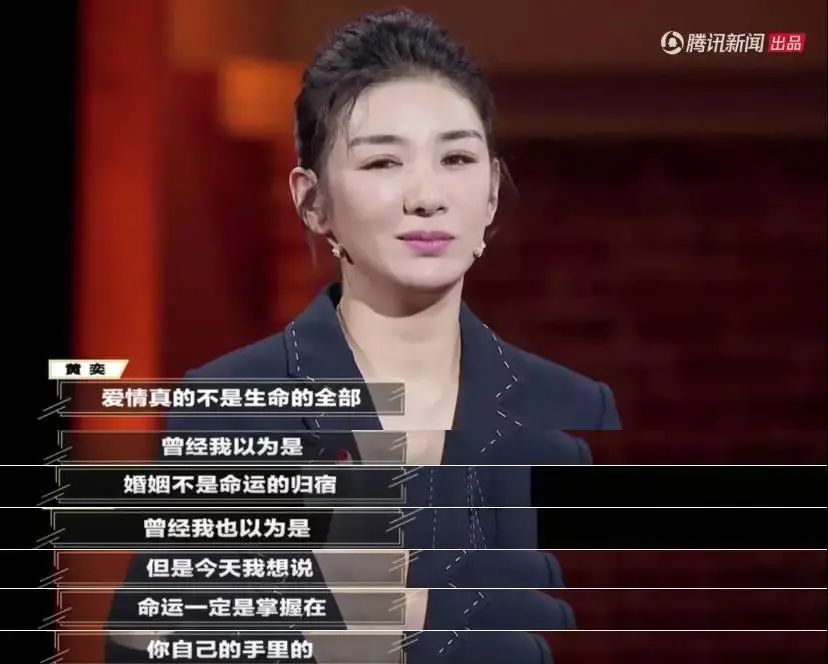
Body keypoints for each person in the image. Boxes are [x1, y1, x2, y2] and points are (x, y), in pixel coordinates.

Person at [105, 8, 620, 663]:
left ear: (491, 191)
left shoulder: (569, 411)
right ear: (312, 201)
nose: (426, 196)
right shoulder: (235, 405)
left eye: (456, 158)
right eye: (382, 162)